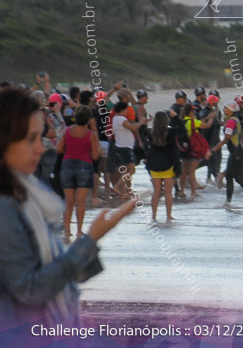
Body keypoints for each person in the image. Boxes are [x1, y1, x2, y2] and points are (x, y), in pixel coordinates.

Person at [0, 87, 134, 328]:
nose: (40, 148)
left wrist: (87, 247)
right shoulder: (6, 207)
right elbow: (30, 289)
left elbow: (58, 275)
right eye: (30, 139)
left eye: (39, 137)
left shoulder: (28, 196)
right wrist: (91, 238)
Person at [205, 102, 243, 209]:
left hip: (236, 154)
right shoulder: (235, 120)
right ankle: (228, 202)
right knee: (230, 177)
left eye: (226, 108)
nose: (224, 109)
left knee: (239, 178)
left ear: (232, 110)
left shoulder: (231, 122)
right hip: (236, 153)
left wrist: (212, 151)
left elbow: (226, 139)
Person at [56, 107, 100, 242]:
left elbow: (59, 148)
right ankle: (79, 231)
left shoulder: (67, 131)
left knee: (69, 202)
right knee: (81, 202)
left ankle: (67, 230)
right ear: (88, 120)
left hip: (68, 164)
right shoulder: (91, 135)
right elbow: (96, 155)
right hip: (84, 166)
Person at [144, 111, 179, 223]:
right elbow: (174, 150)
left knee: (156, 191)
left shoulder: (150, 133)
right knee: (168, 192)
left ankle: (153, 216)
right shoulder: (171, 133)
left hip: (154, 165)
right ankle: (168, 216)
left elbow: (148, 150)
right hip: (168, 165)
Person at [109, 101, 142, 199]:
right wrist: (141, 122)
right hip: (125, 148)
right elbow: (132, 127)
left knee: (124, 171)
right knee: (131, 170)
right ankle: (117, 187)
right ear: (123, 110)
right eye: (126, 109)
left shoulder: (115, 119)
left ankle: (124, 193)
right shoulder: (121, 119)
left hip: (120, 146)